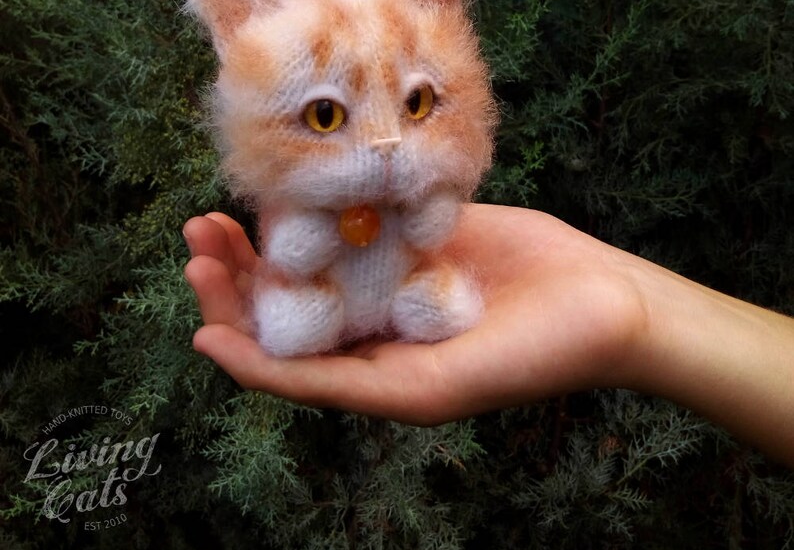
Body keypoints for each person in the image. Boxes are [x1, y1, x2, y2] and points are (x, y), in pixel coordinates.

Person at [183, 204, 794, 468]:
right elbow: (291, 246)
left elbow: (433, 225)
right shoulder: (302, 201)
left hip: (404, 283)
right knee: (298, 318)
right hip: (330, 292)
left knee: (433, 298)